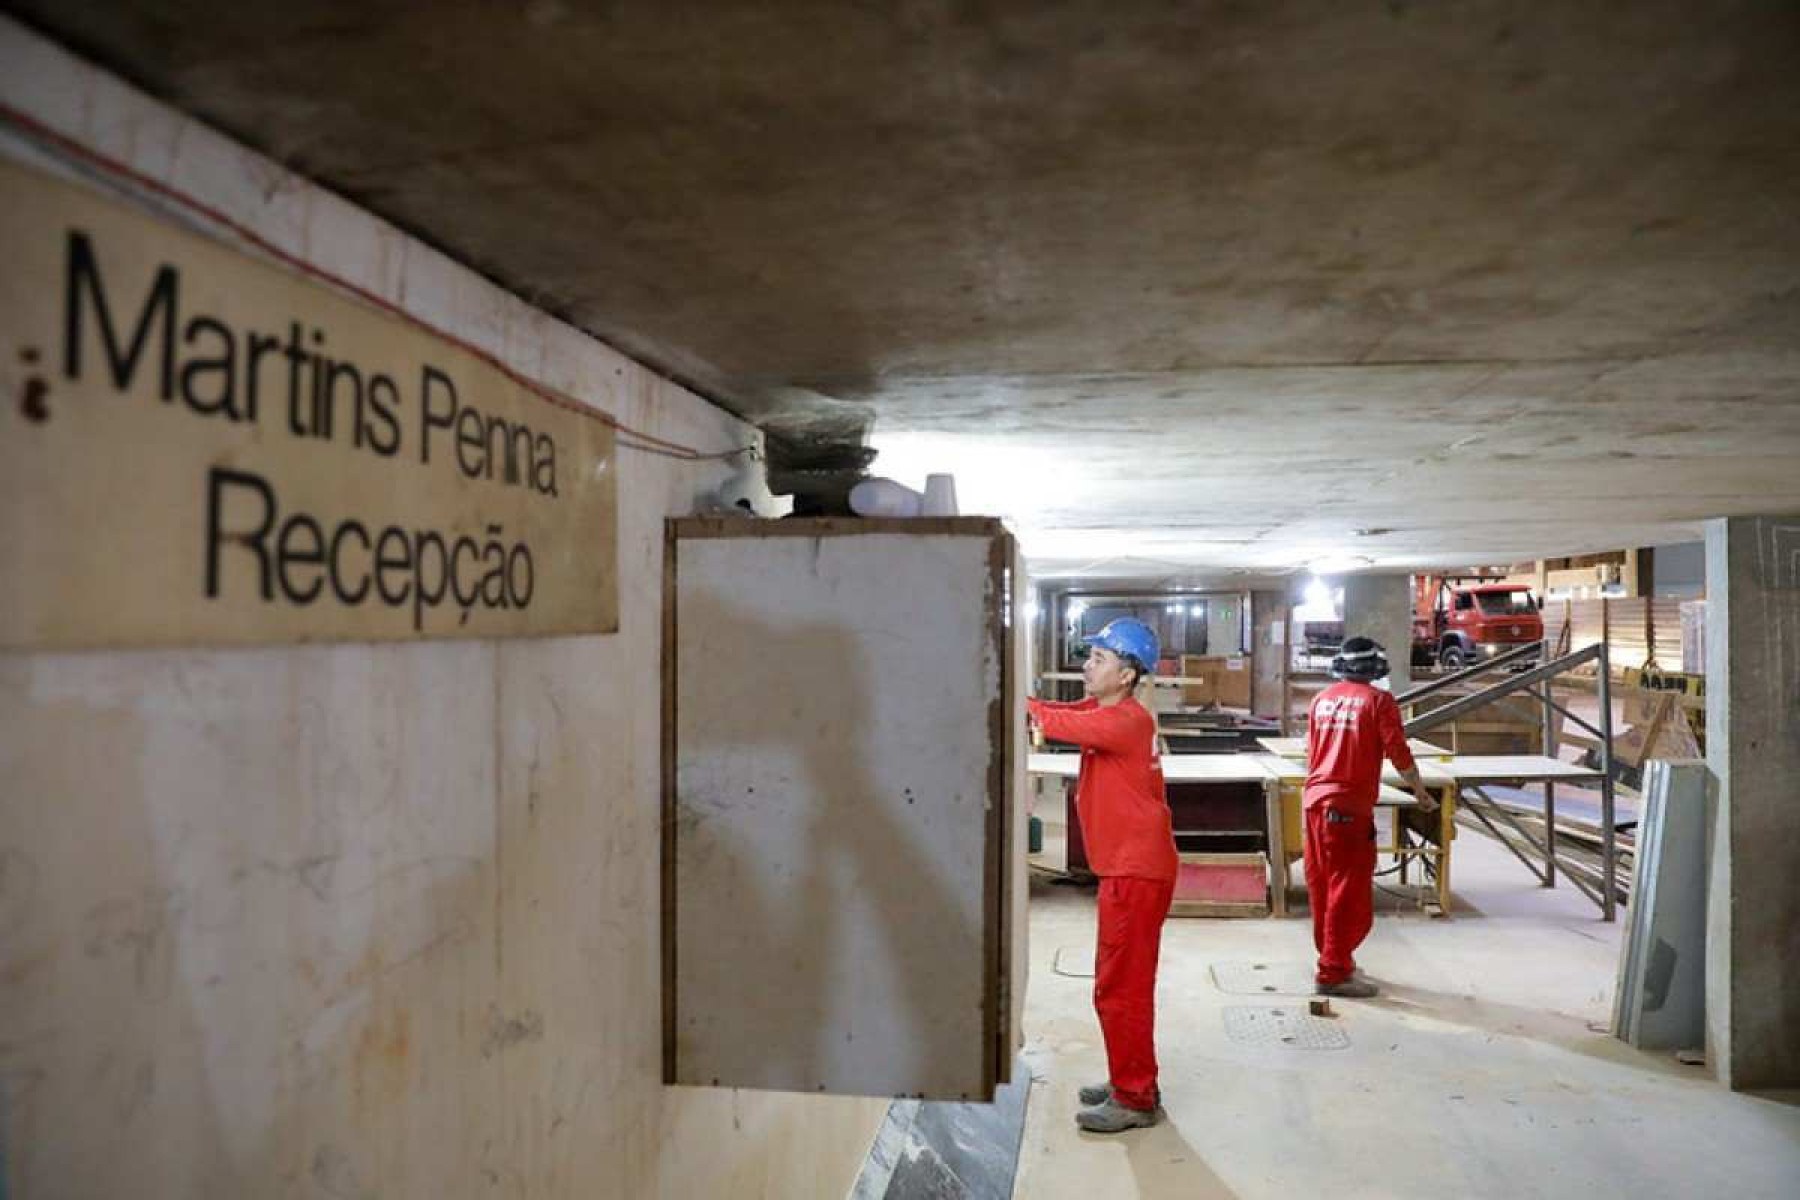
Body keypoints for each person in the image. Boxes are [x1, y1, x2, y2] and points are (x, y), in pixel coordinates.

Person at [1025, 618, 1178, 1134]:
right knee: (1119, 982)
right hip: (1131, 868)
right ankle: (1129, 1079)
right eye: (1088, 657)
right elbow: (1066, 712)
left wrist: (1008, 701)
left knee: (1120, 988)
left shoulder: (1128, 722)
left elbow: (1060, 724)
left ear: (1129, 674)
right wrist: (1022, 701)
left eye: (1098, 660)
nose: (1086, 667)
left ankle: (1135, 1098)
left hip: (1136, 873)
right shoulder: (1111, 709)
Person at [1303, 636, 1437, 998]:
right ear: (1376, 668)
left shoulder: (1321, 700)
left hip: (1315, 802)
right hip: (1347, 807)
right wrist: (1420, 792)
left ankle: (1336, 957)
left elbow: (1311, 751)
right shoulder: (1379, 702)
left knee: (1322, 884)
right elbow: (1399, 752)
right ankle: (1332, 971)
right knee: (1347, 888)